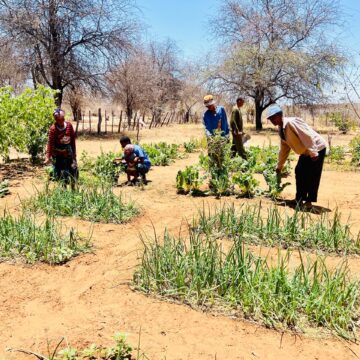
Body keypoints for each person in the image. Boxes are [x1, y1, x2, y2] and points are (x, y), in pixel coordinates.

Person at [267, 104, 327, 209]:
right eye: (270, 118)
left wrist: (313, 152)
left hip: (317, 148)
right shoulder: (281, 129)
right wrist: (279, 166)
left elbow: (306, 135)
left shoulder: (291, 122)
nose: (272, 120)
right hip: (305, 151)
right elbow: (284, 149)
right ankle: (299, 198)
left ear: (280, 115)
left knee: (313, 175)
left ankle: (309, 201)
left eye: (273, 117)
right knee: (299, 171)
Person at [45, 108, 78, 189]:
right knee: (62, 174)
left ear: (64, 118)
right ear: (55, 120)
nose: (60, 121)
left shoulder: (69, 126)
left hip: (69, 153)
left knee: (73, 170)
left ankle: (73, 189)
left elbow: (73, 141)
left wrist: (74, 154)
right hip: (58, 155)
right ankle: (64, 191)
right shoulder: (53, 129)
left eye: (62, 119)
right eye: (58, 120)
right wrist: (48, 157)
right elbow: (50, 143)